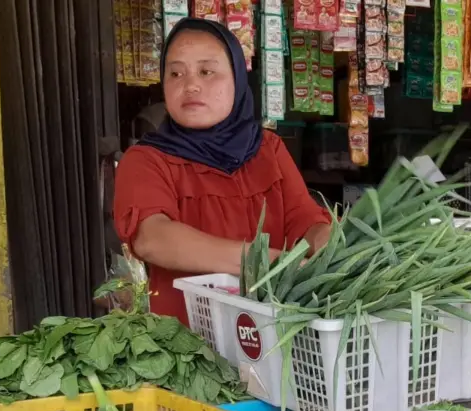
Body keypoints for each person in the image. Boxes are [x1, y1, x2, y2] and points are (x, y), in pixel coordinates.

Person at [113, 18, 332, 324]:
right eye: (176, 73)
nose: (190, 85)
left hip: (271, 336)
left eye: (207, 71)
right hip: (187, 341)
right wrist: (262, 262)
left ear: (237, 79)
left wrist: (329, 243)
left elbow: (303, 219)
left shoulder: (268, 149)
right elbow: (152, 238)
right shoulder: (146, 160)